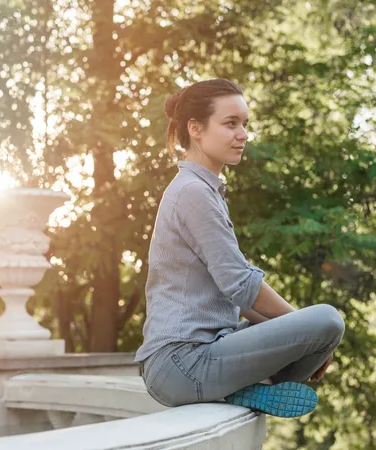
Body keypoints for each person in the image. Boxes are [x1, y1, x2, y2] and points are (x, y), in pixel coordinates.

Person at [134, 78, 346, 418]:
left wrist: (310, 339)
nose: (243, 134)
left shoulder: (204, 190)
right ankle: (242, 389)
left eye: (245, 124)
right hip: (180, 364)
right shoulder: (192, 192)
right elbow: (240, 283)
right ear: (196, 129)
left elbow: (233, 293)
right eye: (231, 124)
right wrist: (310, 328)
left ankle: (242, 391)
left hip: (202, 356)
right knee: (328, 320)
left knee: (319, 327)